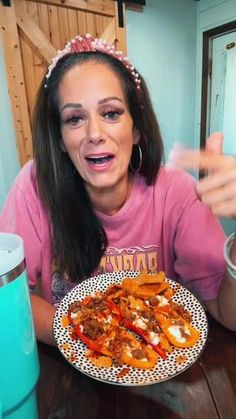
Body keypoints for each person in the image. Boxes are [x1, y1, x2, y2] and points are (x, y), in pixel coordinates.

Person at [0, 34, 236, 347]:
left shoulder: (179, 193)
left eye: (111, 113)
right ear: (59, 139)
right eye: (74, 118)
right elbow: (10, 296)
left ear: (136, 128)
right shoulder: (34, 186)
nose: (94, 134)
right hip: (70, 369)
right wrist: (93, 344)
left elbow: (228, 314)